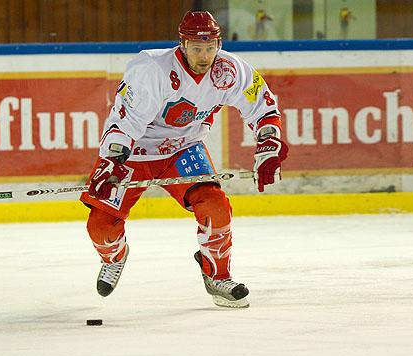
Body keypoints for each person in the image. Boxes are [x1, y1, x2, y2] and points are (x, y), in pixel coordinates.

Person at [80, 11, 288, 308]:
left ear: (218, 44)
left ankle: (217, 275)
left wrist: (269, 144)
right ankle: (114, 256)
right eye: (196, 48)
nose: (204, 57)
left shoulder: (229, 70)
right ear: (182, 44)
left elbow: (262, 107)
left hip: (184, 148)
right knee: (100, 227)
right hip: (135, 151)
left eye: (210, 48)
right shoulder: (152, 69)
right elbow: (126, 121)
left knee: (216, 206)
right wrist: (111, 161)